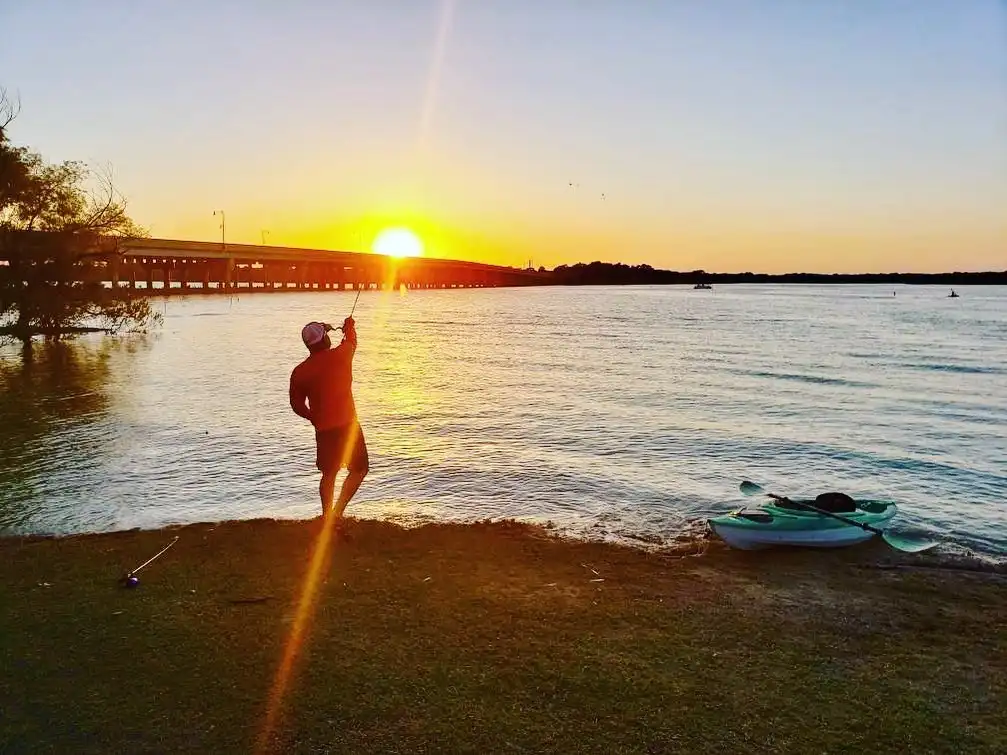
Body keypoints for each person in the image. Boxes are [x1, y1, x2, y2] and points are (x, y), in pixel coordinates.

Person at [289, 317, 369, 525]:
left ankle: (327, 516)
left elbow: (297, 405)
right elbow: (351, 341)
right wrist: (349, 327)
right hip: (348, 424)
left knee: (329, 473)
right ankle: (338, 511)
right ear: (324, 339)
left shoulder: (299, 372)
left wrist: (312, 416)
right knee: (359, 469)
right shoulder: (341, 355)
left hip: (324, 429)